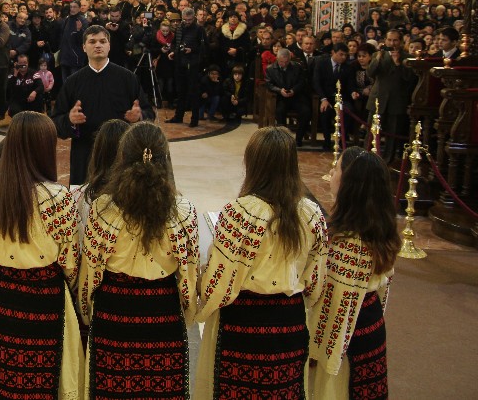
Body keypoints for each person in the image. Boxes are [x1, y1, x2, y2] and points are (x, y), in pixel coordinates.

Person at [195, 127, 327, 399]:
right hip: (289, 323)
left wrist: (199, 287)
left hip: (242, 326)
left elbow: (218, 284)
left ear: (252, 164)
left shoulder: (241, 213)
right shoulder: (312, 214)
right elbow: (316, 284)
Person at [79, 122, 200, 400]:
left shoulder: (104, 209)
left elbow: (91, 273)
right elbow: (188, 279)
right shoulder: (183, 212)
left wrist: (86, 310)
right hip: (163, 318)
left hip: (114, 317)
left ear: (122, 158)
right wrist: (188, 313)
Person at [0, 111, 83, 400]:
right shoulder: (58, 198)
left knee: (3, 379)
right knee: (45, 380)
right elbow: (70, 262)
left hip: (1, 298)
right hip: (46, 300)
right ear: (44, 149)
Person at [309, 147, 399, 399]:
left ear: (350, 183)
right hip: (370, 324)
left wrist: (316, 353)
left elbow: (335, 307)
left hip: (344, 343)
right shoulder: (378, 229)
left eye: (336, 168)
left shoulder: (349, 244)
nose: (330, 172)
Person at [52, 25, 149, 186]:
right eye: (92, 41)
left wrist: (139, 117)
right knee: (83, 207)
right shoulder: (73, 82)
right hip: (84, 156)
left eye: (103, 41)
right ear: (84, 47)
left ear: (109, 46)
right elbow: (55, 122)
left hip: (120, 155)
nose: (98, 45)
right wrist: (69, 120)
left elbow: (147, 113)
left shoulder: (127, 78)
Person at [367, 30, 415, 162]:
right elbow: (370, 72)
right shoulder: (378, 54)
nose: (392, 43)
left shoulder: (407, 57)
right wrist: (377, 58)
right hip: (378, 98)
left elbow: (409, 78)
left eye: (395, 40)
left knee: (392, 133)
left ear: (400, 42)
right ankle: (367, 158)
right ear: (385, 40)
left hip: (396, 100)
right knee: (371, 132)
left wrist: (398, 63)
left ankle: (387, 160)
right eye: (389, 40)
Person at [167, 8, 206, 127]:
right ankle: (178, 116)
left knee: (193, 92)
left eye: (189, 20)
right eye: (185, 20)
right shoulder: (179, 28)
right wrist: (173, 51)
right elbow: (175, 43)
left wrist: (192, 50)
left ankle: (194, 119)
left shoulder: (199, 29)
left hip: (193, 64)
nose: (187, 22)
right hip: (179, 63)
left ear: (194, 18)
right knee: (180, 91)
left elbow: (204, 47)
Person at [266, 48, 310, 146]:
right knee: (280, 112)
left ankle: (298, 139)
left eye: (286, 62)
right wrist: (279, 90)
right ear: (277, 59)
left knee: (306, 111)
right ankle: (284, 139)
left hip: (295, 96)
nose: (284, 64)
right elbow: (269, 84)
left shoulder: (297, 67)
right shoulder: (270, 69)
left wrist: (293, 90)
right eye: (281, 62)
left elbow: (302, 82)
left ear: (290, 59)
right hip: (281, 97)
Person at [315, 43, 352, 152]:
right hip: (326, 97)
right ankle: (327, 140)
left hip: (342, 98)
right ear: (333, 53)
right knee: (325, 111)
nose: (343, 57)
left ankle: (342, 140)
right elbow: (316, 82)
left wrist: (353, 92)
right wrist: (323, 99)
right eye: (341, 54)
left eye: (345, 55)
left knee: (349, 111)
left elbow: (350, 85)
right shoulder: (321, 64)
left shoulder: (348, 67)